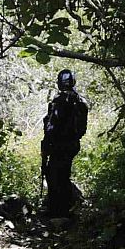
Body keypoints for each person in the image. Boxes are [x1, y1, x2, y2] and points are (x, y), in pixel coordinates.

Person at [41, 69, 89, 220]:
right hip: (72, 144)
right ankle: (63, 209)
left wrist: (47, 145)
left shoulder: (60, 101)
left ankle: (59, 211)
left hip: (58, 145)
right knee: (62, 174)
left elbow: (51, 126)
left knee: (55, 175)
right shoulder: (80, 101)